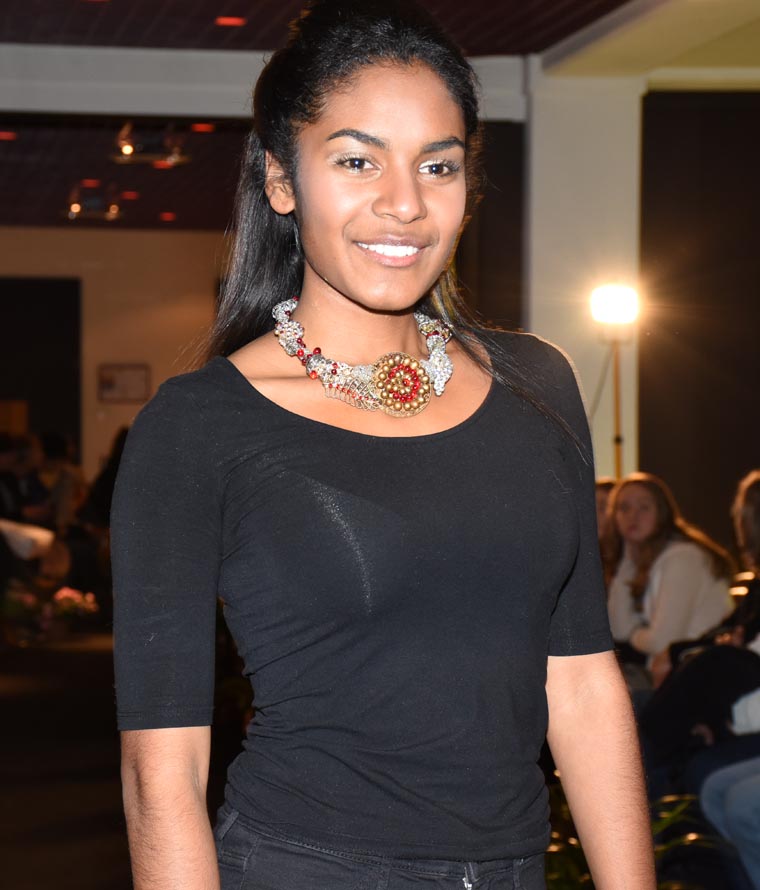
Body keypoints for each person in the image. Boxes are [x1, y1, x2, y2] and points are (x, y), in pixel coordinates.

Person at [112, 2, 655, 889]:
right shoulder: (199, 425)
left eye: (438, 165)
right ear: (281, 179)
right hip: (306, 866)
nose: (404, 204)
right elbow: (160, 774)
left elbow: (584, 682)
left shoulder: (538, 385)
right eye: (357, 160)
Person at [604, 472, 734, 669]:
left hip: (701, 670)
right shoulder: (645, 559)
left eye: (644, 507)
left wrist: (633, 634)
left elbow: (662, 642)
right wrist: (628, 555)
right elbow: (617, 629)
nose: (633, 516)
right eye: (624, 508)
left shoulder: (683, 558)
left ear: (662, 512)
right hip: (671, 670)